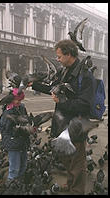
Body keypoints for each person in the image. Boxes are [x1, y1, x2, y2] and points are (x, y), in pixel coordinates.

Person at [27, 39, 96, 195]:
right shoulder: (65, 71)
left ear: (69, 54)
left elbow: (86, 104)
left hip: (76, 125)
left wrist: (63, 102)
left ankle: (76, 191)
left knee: (77, 162)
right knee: (66, 158)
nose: (57, 59)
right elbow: (54, 88)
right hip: (62, 123)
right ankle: (71, 183)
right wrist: (35, 85)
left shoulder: (85, 75)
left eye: (59, 56)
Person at [0, 88, 34, 185]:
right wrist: (21, 129)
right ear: (11, 100)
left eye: (20, 100)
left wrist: (30, 126)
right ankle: (11, 186)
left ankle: (20, 184)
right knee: (14, 168)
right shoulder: (7, 112)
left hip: (23, 141)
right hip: (13, 142)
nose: (19, 102)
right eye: (17, 100)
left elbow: (26, 119)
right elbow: (6, 129)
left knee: (23, 164)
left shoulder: (22, 107)